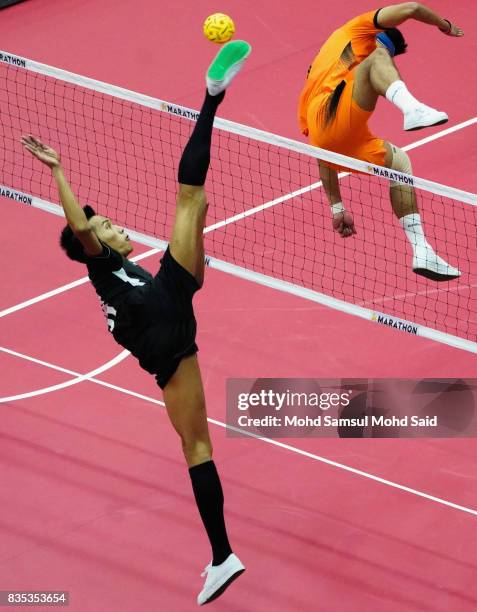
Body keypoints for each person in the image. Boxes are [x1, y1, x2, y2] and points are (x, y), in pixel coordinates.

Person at [21, 40, 252, 606]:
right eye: (108, 228)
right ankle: (211, 99)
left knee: (198, 449)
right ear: (93, 244)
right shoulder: (99, 265)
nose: (116, 228)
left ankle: (224, 555)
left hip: (170, 325)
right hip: (169, 329)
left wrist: (192, 264)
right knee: (188, 200)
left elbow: (107, 237)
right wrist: (58, 174)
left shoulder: (125, 269)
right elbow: (79, 228)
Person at [298, 3, 464, 281]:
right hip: (330, 113)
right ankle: (413, 109)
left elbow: (324, 148)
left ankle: (422, 249)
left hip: (329, 134)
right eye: (389, 50)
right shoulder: (359, 31)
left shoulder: (333, 69)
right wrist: (444, 25)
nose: (389, 58)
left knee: (399, 162)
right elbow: (412, 7)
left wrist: (337, 208)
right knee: (375, 61)